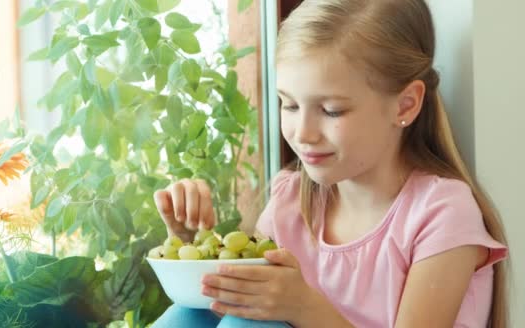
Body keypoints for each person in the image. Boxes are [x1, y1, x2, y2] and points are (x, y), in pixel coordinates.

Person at [151, 0, 509, 327]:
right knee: (190, 316)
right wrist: (190, 248)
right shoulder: (292, 200)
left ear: (404, 105)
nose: (303, 133)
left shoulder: (441, 213)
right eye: (289, 105)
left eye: (331, 110)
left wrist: (304, 308)